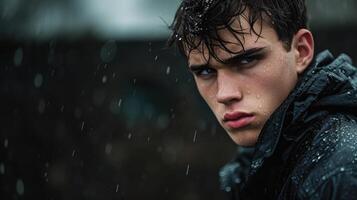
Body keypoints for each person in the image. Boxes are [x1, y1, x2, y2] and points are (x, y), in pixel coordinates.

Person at [168, 0, 357, 199]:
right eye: (205, 71)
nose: (224, 94)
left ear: (301, 51)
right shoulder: (259, 163)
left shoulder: (341, 172)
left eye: (246, 60)